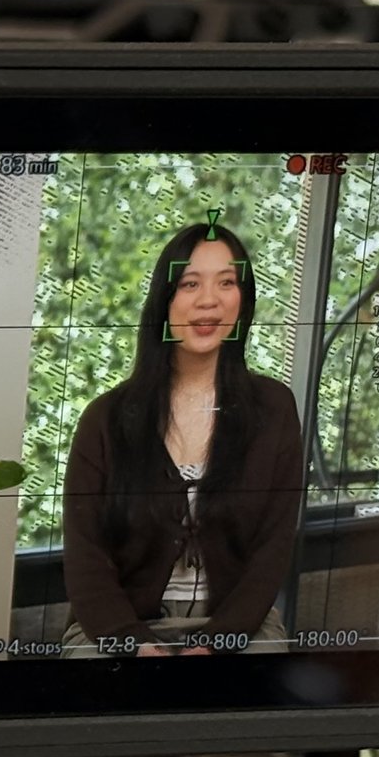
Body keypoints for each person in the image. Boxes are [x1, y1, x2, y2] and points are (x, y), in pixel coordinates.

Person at [60, 222, 303, 654]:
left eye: (226, 283)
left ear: (242, 301)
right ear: (165, 300)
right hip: (119, 624)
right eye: (190, 283)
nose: (209, 300)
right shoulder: (105, 419)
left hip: (237, 625)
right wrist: (131, 643)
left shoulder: (274, 408)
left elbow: (273, 550)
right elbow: (86, 555)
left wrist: (216, 644)